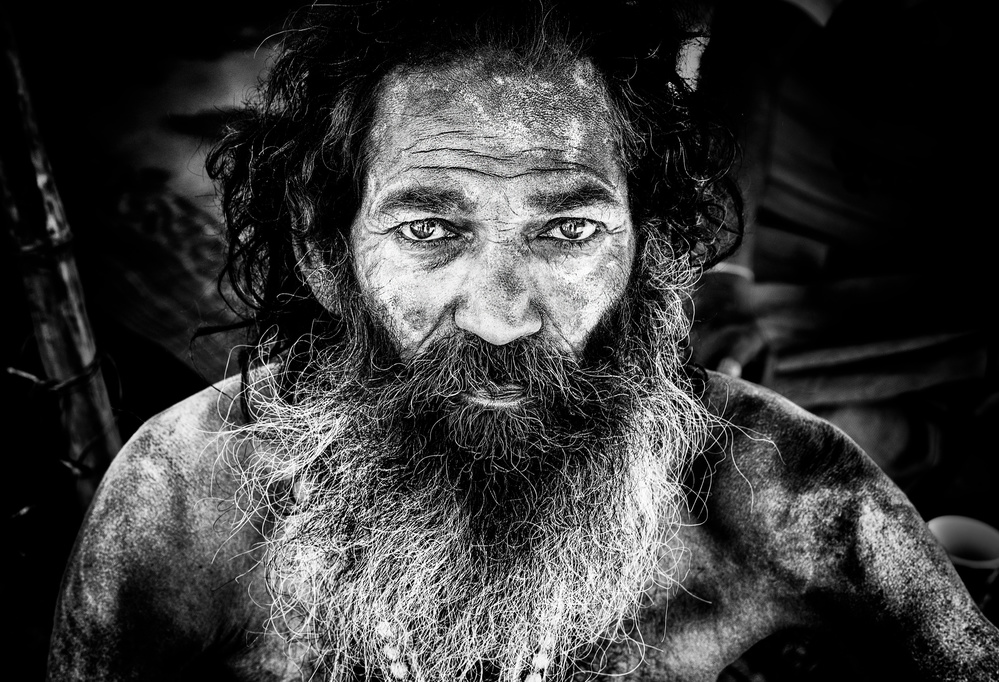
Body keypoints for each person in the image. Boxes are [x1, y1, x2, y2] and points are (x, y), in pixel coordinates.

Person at [46, 2, 998, 680]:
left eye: (568, 230)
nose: (501, 316)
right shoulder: (187, 486)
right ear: (327, 252)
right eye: (428, 229)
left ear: (652, 251)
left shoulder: (774, 478)